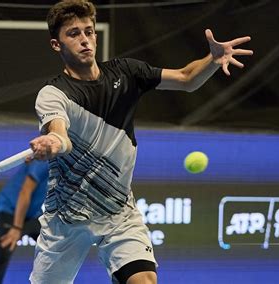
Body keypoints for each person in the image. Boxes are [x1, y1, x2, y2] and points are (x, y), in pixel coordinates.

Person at [27, 1, 253, 283]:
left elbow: (186, 78)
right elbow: (61, 135)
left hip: (118, 211)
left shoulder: (126, 73)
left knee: (144, 280)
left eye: (89, 31)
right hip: (67, 219)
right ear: (56, 44)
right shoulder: (53, 94)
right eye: (73, 34)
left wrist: (213, 61)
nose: (84, 39)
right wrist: (53, 142)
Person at [0, 160, 49, 284]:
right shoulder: (43, 159)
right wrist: (17, 227)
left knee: (54, 247)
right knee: (4, 252)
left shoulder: (64, 162)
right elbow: (25, 191)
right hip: (9, 208)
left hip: (33, 213)